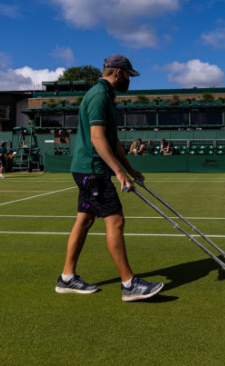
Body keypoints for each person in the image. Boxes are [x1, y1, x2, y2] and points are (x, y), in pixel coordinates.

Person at [56, 54, 164, 302]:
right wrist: (117, 172)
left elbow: (112, 140)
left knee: (84, 220)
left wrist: (130, 168)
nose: (129, 80)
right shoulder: (98, 96)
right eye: (128, 75)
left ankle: (67, 278)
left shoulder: (106, 96)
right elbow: (97, 138)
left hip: (90, 169)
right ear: (118, 72)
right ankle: (129, 284)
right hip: (93, 169)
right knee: (115, 220)